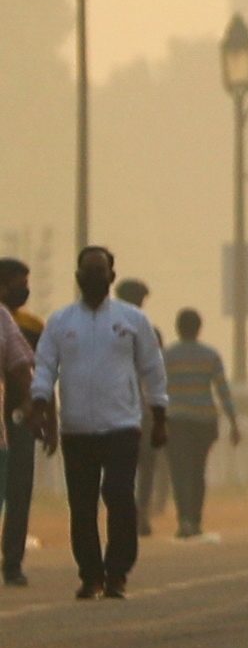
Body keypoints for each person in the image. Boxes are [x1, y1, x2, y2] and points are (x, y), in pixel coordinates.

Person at [29, 246, 167, 600]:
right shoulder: (60, 323)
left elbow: (152, 368)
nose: (94, 279)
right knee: (83, 503)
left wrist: (160, 412)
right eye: (87, 273)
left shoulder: (132, 320)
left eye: (100, 272)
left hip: (122, 424)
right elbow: (44, 366)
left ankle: (117, 572)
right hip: (77, 429)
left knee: (119, 493)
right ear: (77, 278)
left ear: (112, 277)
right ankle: (91, 575)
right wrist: (41, 404)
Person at [160, 308, 239, 539]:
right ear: (199, 329)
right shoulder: (210, 355)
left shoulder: (167, 355)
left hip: (175, 420)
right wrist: (233, 422)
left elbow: (156, 389)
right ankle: (195, 519)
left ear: (178, 328)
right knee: (197, 471)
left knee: (179, 472)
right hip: (204, 421)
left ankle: (184, 519)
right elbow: (222, 390)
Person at [2, 258, 46, 585]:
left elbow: (38, 372)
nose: (24, 289)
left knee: (19, 491)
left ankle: (12, 561)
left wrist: (43, 411)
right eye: (18, 282)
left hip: (18, 418)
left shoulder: (32, 325)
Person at [113, 279, 166, 536]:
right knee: (145, 465)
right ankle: (140, 514)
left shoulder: (104, 328)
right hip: (141, 408)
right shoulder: (151, 332)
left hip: (113, 406)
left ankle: (129, 514)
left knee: (123, 465)